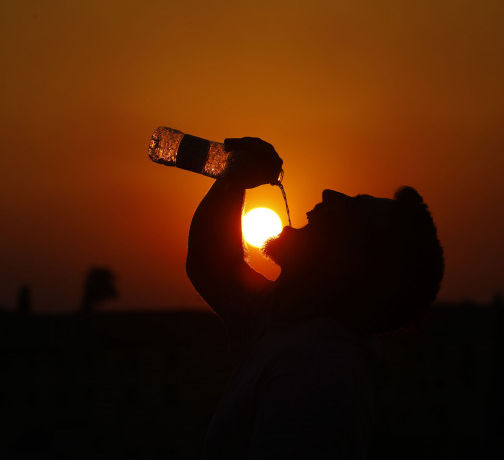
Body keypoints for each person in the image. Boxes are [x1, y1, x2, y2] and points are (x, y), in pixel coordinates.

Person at [187, 137, 444, 459]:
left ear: (348, 262)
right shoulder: (285, 324)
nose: (329, 194)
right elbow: (213, 266)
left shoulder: (315, 375)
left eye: (352, 209)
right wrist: (233, 178)